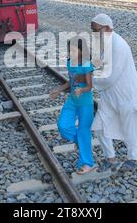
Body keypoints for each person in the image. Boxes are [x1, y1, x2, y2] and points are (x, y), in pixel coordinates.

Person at [90, 14, 137, 172]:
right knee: (99, 127)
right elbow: (101, 64)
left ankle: (133, 158)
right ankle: (110, 158)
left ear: (107, 28)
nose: (94, 34)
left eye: (96, 30)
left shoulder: (119, 45)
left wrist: (89, 79)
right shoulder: (106, 42)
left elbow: (110, 77)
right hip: (110, 96)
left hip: (126, 97)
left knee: (130, 131)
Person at [50, 36, 97, 175]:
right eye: (69, 50)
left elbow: (89, 86)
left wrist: (81, 89)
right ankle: (82, 142)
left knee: (84, 130)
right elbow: (70, 82)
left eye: (74, 50)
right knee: (63, 126)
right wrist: (58, 90)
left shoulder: (87, 65)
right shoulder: (70, 62)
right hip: (72, 101)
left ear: (82, 51)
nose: (71, 53)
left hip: (85, 103)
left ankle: (88, 164)